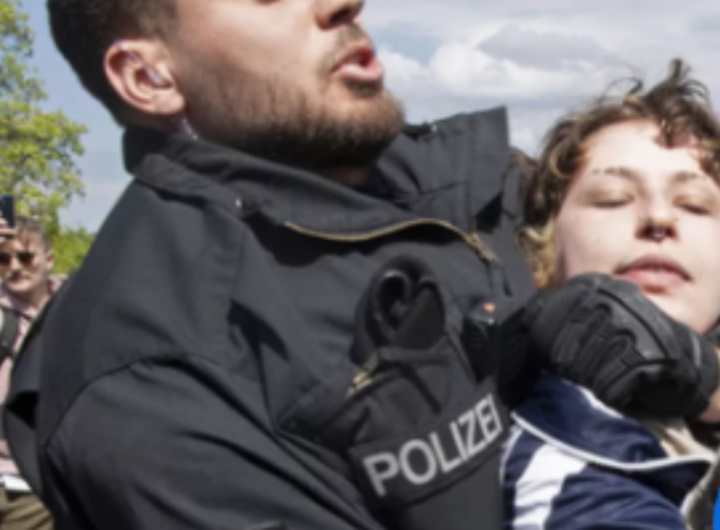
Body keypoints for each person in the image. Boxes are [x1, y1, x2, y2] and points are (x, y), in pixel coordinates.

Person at [6, 2, 720, 530]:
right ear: (147, 76)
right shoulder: (154, 383)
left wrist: (682, 373)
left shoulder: (452, 174)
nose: (343, 2)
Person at [504, 60, 720, 530]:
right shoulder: (566, 475)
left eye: (695, 204)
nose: (660, 217)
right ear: (544, 250)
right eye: (613, 198)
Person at [0, 216, 62, 530]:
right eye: (4, 258)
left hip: (34, 485)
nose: (15, 266)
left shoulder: (74, 305)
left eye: (25, 256)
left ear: (48, 259)